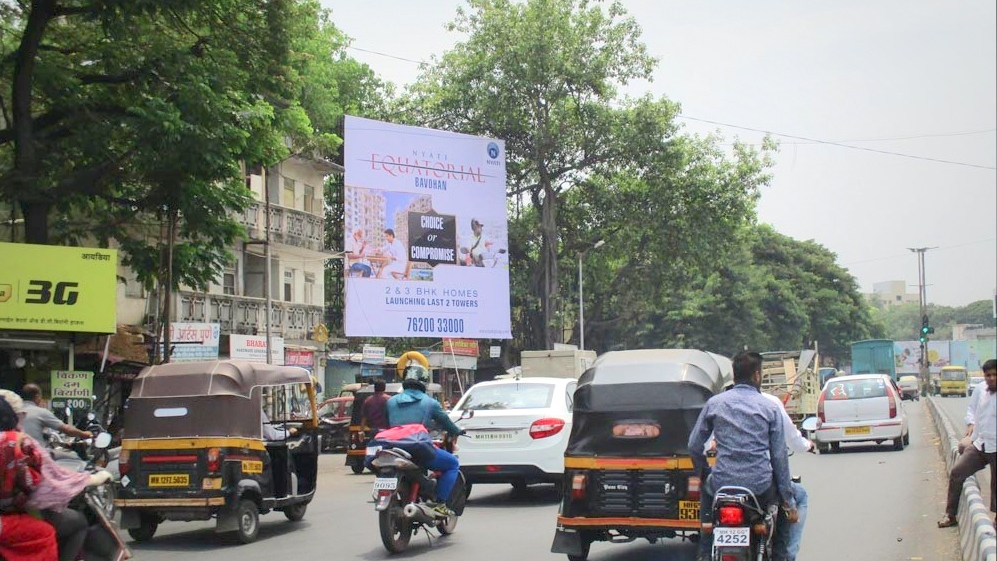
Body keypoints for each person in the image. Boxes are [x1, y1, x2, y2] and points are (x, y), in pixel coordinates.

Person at [689, 351, 797, 561]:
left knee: (706, 491)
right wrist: (788, 501)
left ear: (734, 374)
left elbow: (694, 445)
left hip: (722, 483)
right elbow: (778, 456)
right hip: (760, 486)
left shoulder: (715, 403)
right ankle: (782, 556)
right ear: (757, 375)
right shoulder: (770, 407)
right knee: (783, 513)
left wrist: (704, 472)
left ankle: (704, 552)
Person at [0, 390, 110, 561]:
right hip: (8, 519)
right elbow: (46, 483)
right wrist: (93, 479)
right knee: (74, 523)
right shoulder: (16, 441)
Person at [385, 363, 463, 516]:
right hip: (419, 449)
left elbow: (387, 424)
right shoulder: (430, 403)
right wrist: (457, 431)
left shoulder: (390, 402)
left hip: (393, 447)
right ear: (424, 382)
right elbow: (447, 423)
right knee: (453, 464)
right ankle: (440, 503)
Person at [938, 358, 996, 529]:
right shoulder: (981, 391)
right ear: (984, 376)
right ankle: (950, 514)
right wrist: (972, 435)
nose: (992, 378)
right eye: (988, 375)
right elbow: (976, 414)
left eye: (995, 375)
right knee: (957, 472)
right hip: (981, 444)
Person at [20, 384, 92, 448]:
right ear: (37, 396)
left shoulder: (15, 410)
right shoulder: (41, 412)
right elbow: (67, 430)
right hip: (35, 454)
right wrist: (84, 434)